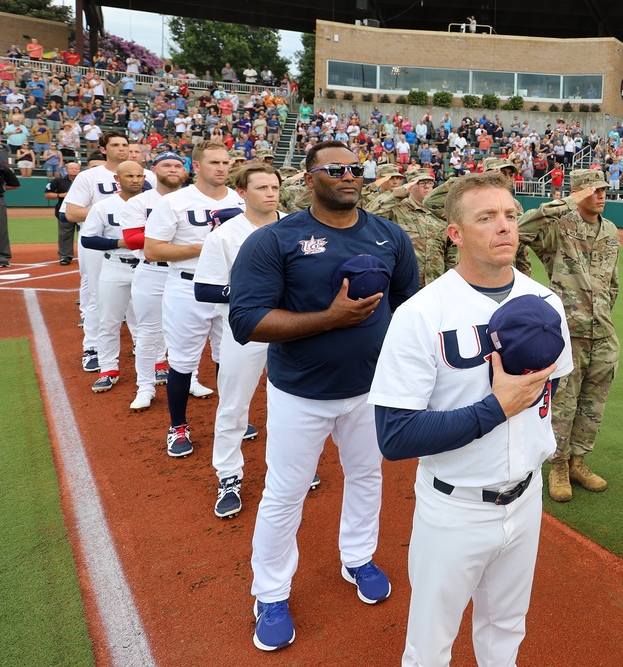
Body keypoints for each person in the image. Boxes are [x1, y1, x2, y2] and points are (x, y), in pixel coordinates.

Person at [369, 170, 573, 667]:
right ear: (454, 233)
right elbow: (394, 437)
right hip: (453, 506)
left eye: (509, 215)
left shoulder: (546, 301)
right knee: (431, 643)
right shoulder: (420, 314)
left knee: (506, 629)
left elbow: (554, 386)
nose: (504, 227)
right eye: (486, 218)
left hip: (526, 498)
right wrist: (495, 407)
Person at [227, 140, 419, 651]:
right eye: (336, 168)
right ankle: (269, 592)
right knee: (285, 494)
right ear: (309, 178)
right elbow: (246, 320)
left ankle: (357, 557)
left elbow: (409, 307)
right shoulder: (275, 240)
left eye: (357, 168)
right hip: (300, 392)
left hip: (369, 390)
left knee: (367, 478)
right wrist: (330, 320)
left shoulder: (389, 235)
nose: (350, 175)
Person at [194, 163, 307, 518]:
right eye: (261, 188)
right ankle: (228, 474)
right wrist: (253, 291)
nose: (271, 193)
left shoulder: (298, 226)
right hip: (248, 329)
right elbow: (204, 288)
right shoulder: (225, 234)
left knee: (294, 404)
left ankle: (291, 469)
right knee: (233, 404)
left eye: (274, 187)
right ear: (242, 193)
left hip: (293, 327)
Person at [517, 169, 619, 502]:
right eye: (593, 190)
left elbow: (613, 282)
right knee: (563, 403)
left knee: (592, 404)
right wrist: (561, 204)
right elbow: (520, 232)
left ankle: (579, 461)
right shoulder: (558, 227)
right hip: (567, 333)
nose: (602, 195)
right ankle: (557, 466)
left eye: (604, 189)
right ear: (577, 193)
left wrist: (602, 313)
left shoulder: (611, 231)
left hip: (602, 332)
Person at [144, 141, 245, 457]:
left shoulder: (240, 200)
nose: (221, 168)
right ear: (196, 166)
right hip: (188, 286)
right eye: (214, 162)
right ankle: (177, 427)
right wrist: (207, 247)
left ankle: (229, 419)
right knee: (183, 361)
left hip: (230, 288)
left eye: (226, 162)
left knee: (227, 358)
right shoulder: (175, 201)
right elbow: (153, 249)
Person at [119, 152, 191, 411]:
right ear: (154, 170)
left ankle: (189, 377)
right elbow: (132, 240)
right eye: (166, 165)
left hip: (186, 271)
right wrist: (177, 235)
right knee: (149, 333)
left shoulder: (194, 198)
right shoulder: (140, 201)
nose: (173, 169)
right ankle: (145, 386)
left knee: (187, 332)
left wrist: (159, 236)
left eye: (177, 165)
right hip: (153, 270)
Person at [79, 161, 146, 393]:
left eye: (139, 175)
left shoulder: (157, 204)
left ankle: (156, 366)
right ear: (117, 179)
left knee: (150, 321)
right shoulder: (103, 206)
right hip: (115, 265)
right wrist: (120, 242)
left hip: (148, 266)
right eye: (129, 176)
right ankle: (108, 369)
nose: (135, 180)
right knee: (109, 320)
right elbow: (88, 239)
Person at [366, 167, 448, 287]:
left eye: (430, 182)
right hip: (405, 285)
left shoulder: (439, 212)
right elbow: (369, 216)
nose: (427, 186)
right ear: (410, 186)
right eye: (421, 183)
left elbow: (451, 250)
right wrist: (397, 194)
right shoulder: (397, 208)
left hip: (435, 285)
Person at [46, 160, 81, 264]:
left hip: (82, 211)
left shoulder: (85, 180)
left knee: (85, 234)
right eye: (71, 168)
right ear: (66, 170)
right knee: (65, 234)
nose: (74, 170)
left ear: (80, 170)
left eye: (76, 168)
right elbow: (48, 194)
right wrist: (60, 195)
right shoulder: (58, 180)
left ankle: (86, 256)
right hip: (64, 211)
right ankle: (65, 256)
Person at [0, 158, 22, 267]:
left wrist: (1, 187)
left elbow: (15, 184)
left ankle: (2, 258)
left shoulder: (1, 168)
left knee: (0, 229)